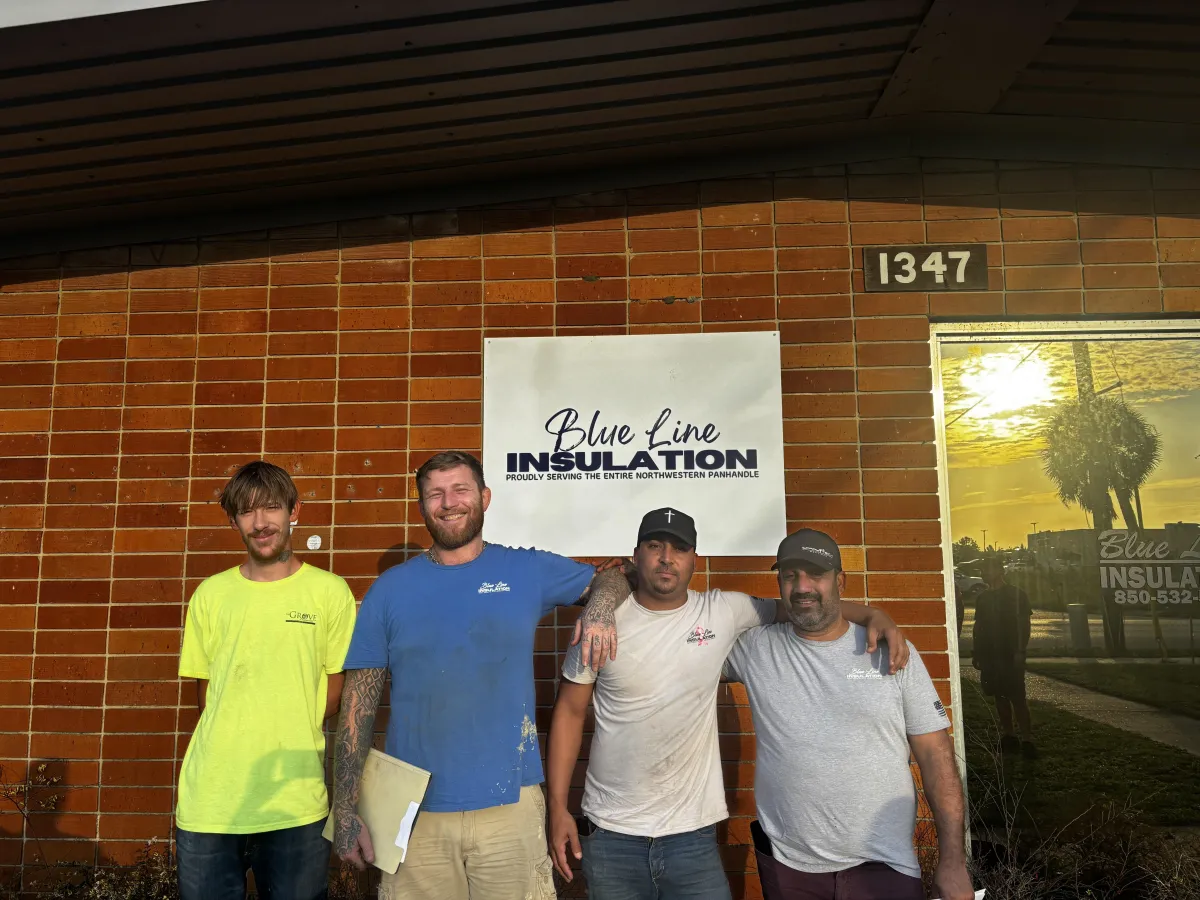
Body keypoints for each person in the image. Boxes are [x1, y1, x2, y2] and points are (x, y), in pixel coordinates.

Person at [546, 509, 910, 900]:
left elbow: (804, 608)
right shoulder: (601, 625)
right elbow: (569, 712)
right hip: (611, 832)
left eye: (680, 548)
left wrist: (875, 613)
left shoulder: (723, 611)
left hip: (693, 836)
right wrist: (557, 807)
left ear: (694, 561)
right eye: (655, 546)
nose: (667, 557)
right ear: (636, 555)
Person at [331, 450, 630, 900]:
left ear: (485, 498)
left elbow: (616, 575)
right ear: (422, 508)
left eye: (460, 489)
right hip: (414, 814)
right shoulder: (390, 590)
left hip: (510, 806)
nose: (449, 502)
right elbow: (358, 705)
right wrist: (345, 806)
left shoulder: (525, 569)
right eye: (435, 494)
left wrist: (602, 609)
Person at [726, 529, 974, 900]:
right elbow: (680, 635)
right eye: (790, 576)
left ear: (840, 581)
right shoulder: (756, 649)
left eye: (816, 575)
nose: (802, 586)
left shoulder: (892, 653)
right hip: (790, 868)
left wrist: (953, 861)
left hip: (884, 867)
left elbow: (936, 758)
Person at [175, 460, 357, 900]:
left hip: (294, 801)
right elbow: (208, 695)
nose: (260, 523)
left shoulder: (331, 593)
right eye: (247, 511)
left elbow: (336, 693)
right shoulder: (210, 595)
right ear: (233, 520)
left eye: (271, 508)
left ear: (294, 511)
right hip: (210, 804)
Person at [972, 556, 1035, 757]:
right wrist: (977, 651)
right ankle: (1009, 735)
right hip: (990, 655)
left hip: (1010, 653)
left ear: (1000, 570)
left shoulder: (1016, 595)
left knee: (1017, 696)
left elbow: (1024, 625)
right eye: (982, 570)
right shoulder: (982, 598)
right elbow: (978, 626)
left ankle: (1027, 738)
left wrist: (1020, 650)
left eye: (987, 569)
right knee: (998, 695)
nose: (983, 573)